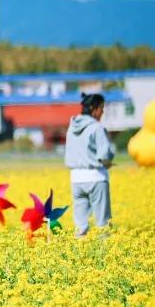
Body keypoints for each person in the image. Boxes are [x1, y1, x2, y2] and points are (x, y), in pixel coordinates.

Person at [65, 93, 114, 237]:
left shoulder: (71, 127)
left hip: (76, 179)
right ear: (94, 109)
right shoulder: (96, 127)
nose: (103, 112)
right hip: (95, 178)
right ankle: (106, 254)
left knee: (80, 225)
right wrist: (108, 162)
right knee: (103, 223)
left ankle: (80, 256)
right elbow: (104, 155)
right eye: (101, 108)